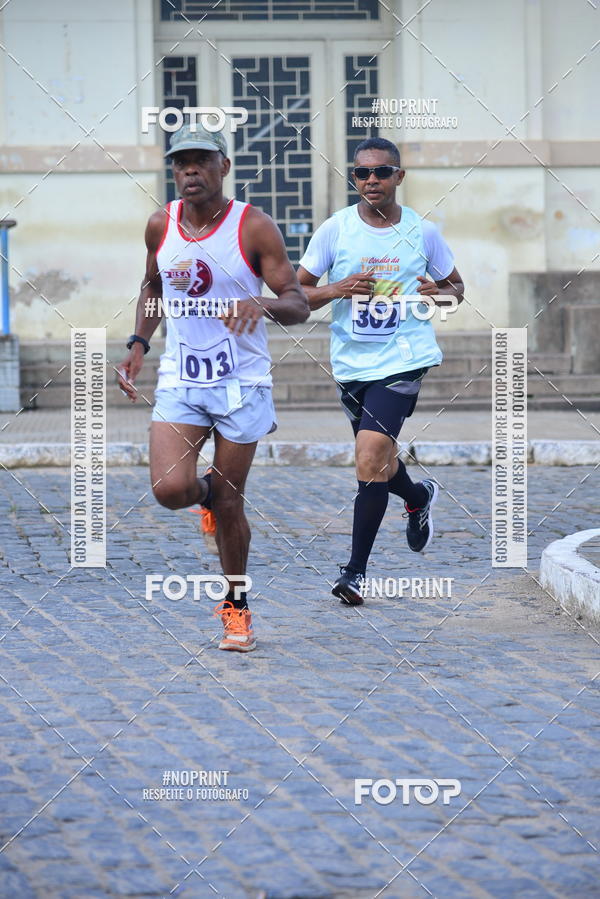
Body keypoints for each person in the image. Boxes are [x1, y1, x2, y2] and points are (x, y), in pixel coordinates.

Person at [118, 123, 309, 649]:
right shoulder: (162, 225)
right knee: (170, 490)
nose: (189, 171)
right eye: (181, 163)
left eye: (201, 161)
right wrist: (138, 343)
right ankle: (203, 493)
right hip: (182, 377)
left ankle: (236, 607)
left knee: (230, 503)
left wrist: (262, 304)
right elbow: (153, 286)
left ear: (224, 167)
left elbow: (296, 302)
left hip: (241, 384)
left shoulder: (254, 227)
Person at [298, 137, 464, 606]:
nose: (371, 180)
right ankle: (416, 497)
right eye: (362, 173)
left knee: (369, 456)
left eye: (382, 172)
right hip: (352, 363)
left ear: (399, 177)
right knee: (379, 461)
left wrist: (440, 293)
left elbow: (457, 289)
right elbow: (297, 293)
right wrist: (337, 289)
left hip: (405, 358)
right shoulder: (335, 230)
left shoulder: (422, 232)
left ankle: (354, 573)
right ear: (354, 178)